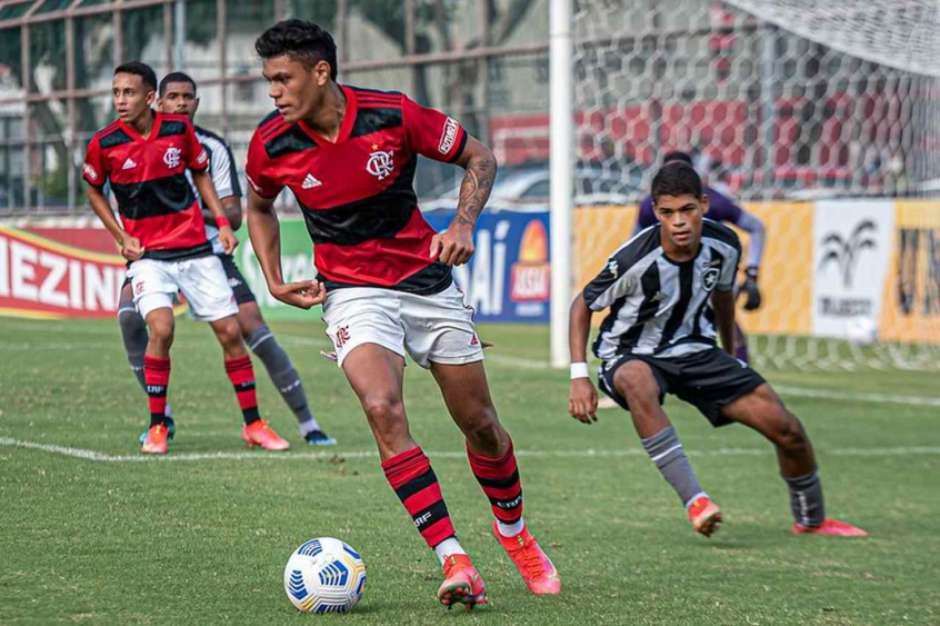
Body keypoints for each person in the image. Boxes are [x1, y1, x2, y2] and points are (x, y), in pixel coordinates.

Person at [244, 20, 560, 608]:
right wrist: (272, 278)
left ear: (321, 72)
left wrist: (462, 224)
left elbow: (479, 157)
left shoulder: (391, 115)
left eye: (283, 79)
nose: (274, 92)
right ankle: (455, 559)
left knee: (482, 426)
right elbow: (259, 206)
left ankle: (514, 534)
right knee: (381, 407)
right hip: (351, 290)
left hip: (426, 280)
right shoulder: (271, 144)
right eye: (269, 81)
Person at [568, 160, 866, 538]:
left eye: (687, 210)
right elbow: (582, 304)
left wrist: (733, 354)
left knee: (787, 428)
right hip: (630, 353)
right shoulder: (634, 258)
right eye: (667, 212)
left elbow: (723, 297)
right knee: (638, 380)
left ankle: (811, 520)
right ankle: (696, 500)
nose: (678, 221)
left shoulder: (724, 245)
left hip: (695, 349)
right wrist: (579, 376)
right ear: (656, 212)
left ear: (704, 205)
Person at [114, 70, 336, 447]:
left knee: (254, 330)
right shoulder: (129, 144)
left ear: (197, 104)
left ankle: (307, 423)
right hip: (154, 255)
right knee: (129, 317)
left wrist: (180, 214)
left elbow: (233, 214)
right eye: (173, 97)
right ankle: (160, 418)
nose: (181, 103)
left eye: (188, 97)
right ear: (158, 102)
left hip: (209, 254)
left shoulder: (212, 148)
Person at [84, 61, 290, 454]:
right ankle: (158, 425)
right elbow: (93, 189)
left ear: (149, 98)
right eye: (115, 93)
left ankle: (254, 424)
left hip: (195, 247)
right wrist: (120, 234)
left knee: (231, 333)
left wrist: (225, 227)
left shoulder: (179, 132)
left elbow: (200, 175)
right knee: (160, 328)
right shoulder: (104, 143)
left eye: (128, 93)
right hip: (148, 255)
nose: (120, 101)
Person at [635, 150, 765, 363]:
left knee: (725, 323)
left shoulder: (713, 201)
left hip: (709, 275)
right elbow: (635, 243)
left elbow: (757, 227)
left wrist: (752, 273)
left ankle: (741, 377)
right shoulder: (651, 206)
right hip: (668, 276)